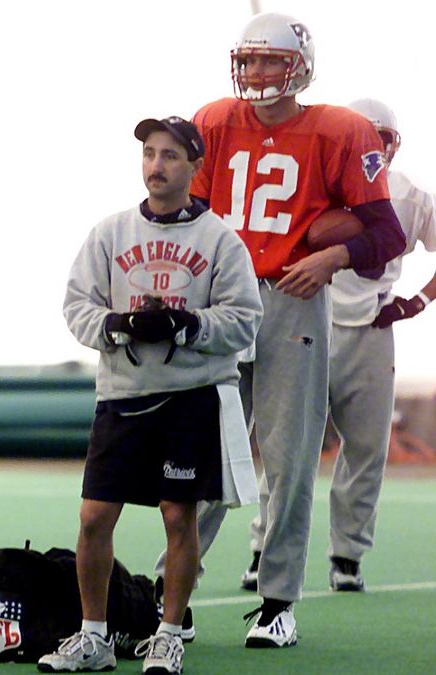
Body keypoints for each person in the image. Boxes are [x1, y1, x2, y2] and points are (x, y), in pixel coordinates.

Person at [149, 13, 406, 648]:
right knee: (199, 454)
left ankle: (277, 600)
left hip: (292, 298)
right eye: (251, 60)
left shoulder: (340, 130)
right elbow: (185, 213)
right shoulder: (212, 120)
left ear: (300, 66)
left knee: (291, 459)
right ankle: (167, 593)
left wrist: (332, 256)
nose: (258, 73)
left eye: (271, 61)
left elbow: (387, 233)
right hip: (221, 299)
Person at [42, 117, 261, 675]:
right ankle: (94, 637)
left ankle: (168, 634)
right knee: (93, 517)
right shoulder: (111, 232)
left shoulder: (220, 240)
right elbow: (76, 306)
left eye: (169, 156)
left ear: (194, 167)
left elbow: (244, 320)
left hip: (190, 396)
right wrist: (117, 325)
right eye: (149, 154)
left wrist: (188, 325)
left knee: (177, 517)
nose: (156, 166)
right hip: (121, 395)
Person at [239, 98, 436, 594]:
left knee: (367, 446)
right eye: (364, 136)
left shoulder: (410, 197)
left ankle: (347, 553)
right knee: (285, 443)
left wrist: (416, 302)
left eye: (382, 138)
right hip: (304, 319)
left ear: (395, 144)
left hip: (371, 324)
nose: (373, 149)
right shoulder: (314, 183)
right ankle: (264, 546)